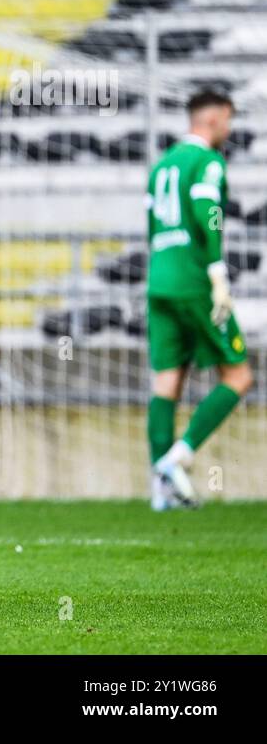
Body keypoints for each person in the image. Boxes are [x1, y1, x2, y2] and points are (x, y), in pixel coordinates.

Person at [146, 90, 252, 510]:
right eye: (228, 120)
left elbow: (150, 225)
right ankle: (179, 457)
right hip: (194, 280)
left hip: (159, 281)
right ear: (216, 117)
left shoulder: (161, 166)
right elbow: (209, 213)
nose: (229, 129)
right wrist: (216, 273)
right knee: (239, 375)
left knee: (166, 380)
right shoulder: (208, 161)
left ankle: (160, 492)